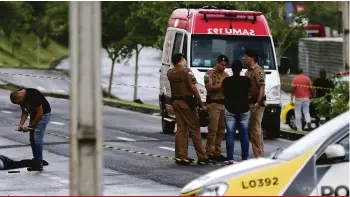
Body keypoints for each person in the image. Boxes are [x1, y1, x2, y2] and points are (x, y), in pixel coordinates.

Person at [167, 53, 215, 165]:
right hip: (186, 103)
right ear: (181, 59)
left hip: (175, 102)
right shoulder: (186, 71)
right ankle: (202, 157)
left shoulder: (170, 73)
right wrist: (200, 103)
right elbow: (193, 88)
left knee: (181, 129)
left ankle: (181, 156)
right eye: (184, 59)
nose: (185, 61)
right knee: (195, 129)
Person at [10, 88, 51, 171]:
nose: (18, 105)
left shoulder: (33, 96)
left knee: (37, 138)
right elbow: (24, 112)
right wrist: (21, 124)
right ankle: (36, 159)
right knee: (32, 138)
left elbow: (40, 113)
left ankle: (38, 163)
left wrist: (30, 126)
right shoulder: (19, 95)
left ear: (20, 98)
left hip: (43, 115)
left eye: (18, 103)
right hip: (34, 114)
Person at [222, 60, 251, 165]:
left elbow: (224, 93)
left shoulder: (226, 81)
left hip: (230, 108)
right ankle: (244, 159)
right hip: (244, 109)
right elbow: (250, 92)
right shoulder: (247, 80)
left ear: (232, 69)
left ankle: (230, 159)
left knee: (230, 134)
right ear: (241, 69)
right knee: (244, 134)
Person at [203, 55, 229, 162]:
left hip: (223, 104)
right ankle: (209, 152)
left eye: (225, 65)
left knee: (221, 130)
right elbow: (209, 87)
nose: (223, 67)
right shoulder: (209, 74)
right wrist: (222, 86)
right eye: (221, 64)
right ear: (217, 63)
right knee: (213, 129)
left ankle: (217, 152)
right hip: (213, 104)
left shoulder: (226, 75)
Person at [243, 49, 265, 158]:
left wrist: (258, 102)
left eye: (245, 56)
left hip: (256, 104)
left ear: (252, 58)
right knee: (254, 129)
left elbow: (261, 87)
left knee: (255, 128)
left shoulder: (258, 71)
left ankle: (259, 156)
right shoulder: (248, 71)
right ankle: (258, 154)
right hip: (250, 103)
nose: (243, 58)